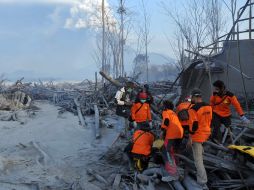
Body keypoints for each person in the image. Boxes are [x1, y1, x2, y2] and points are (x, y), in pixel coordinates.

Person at [187, 89, 212, 190]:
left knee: (198, 161)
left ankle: (202, 182)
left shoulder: (193, 109)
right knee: (200, 154)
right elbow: (210, 120)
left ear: (194, 97)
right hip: (206, 133)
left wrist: (190, 138)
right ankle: (203, 177)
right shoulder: (208, 106)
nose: (191, 99)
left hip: (197, 136)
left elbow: (194, 125)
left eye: (191, 97)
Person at [160, 100, 183, 181]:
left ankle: (173, 173)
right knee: (175, 151)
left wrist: (162, 131)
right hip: (179, 132)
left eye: (162, 105)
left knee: (167, 151)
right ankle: (177, 168)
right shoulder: (173, 113)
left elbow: (166, 121)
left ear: (165, 106)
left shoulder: (166, 111)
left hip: (172, 133)